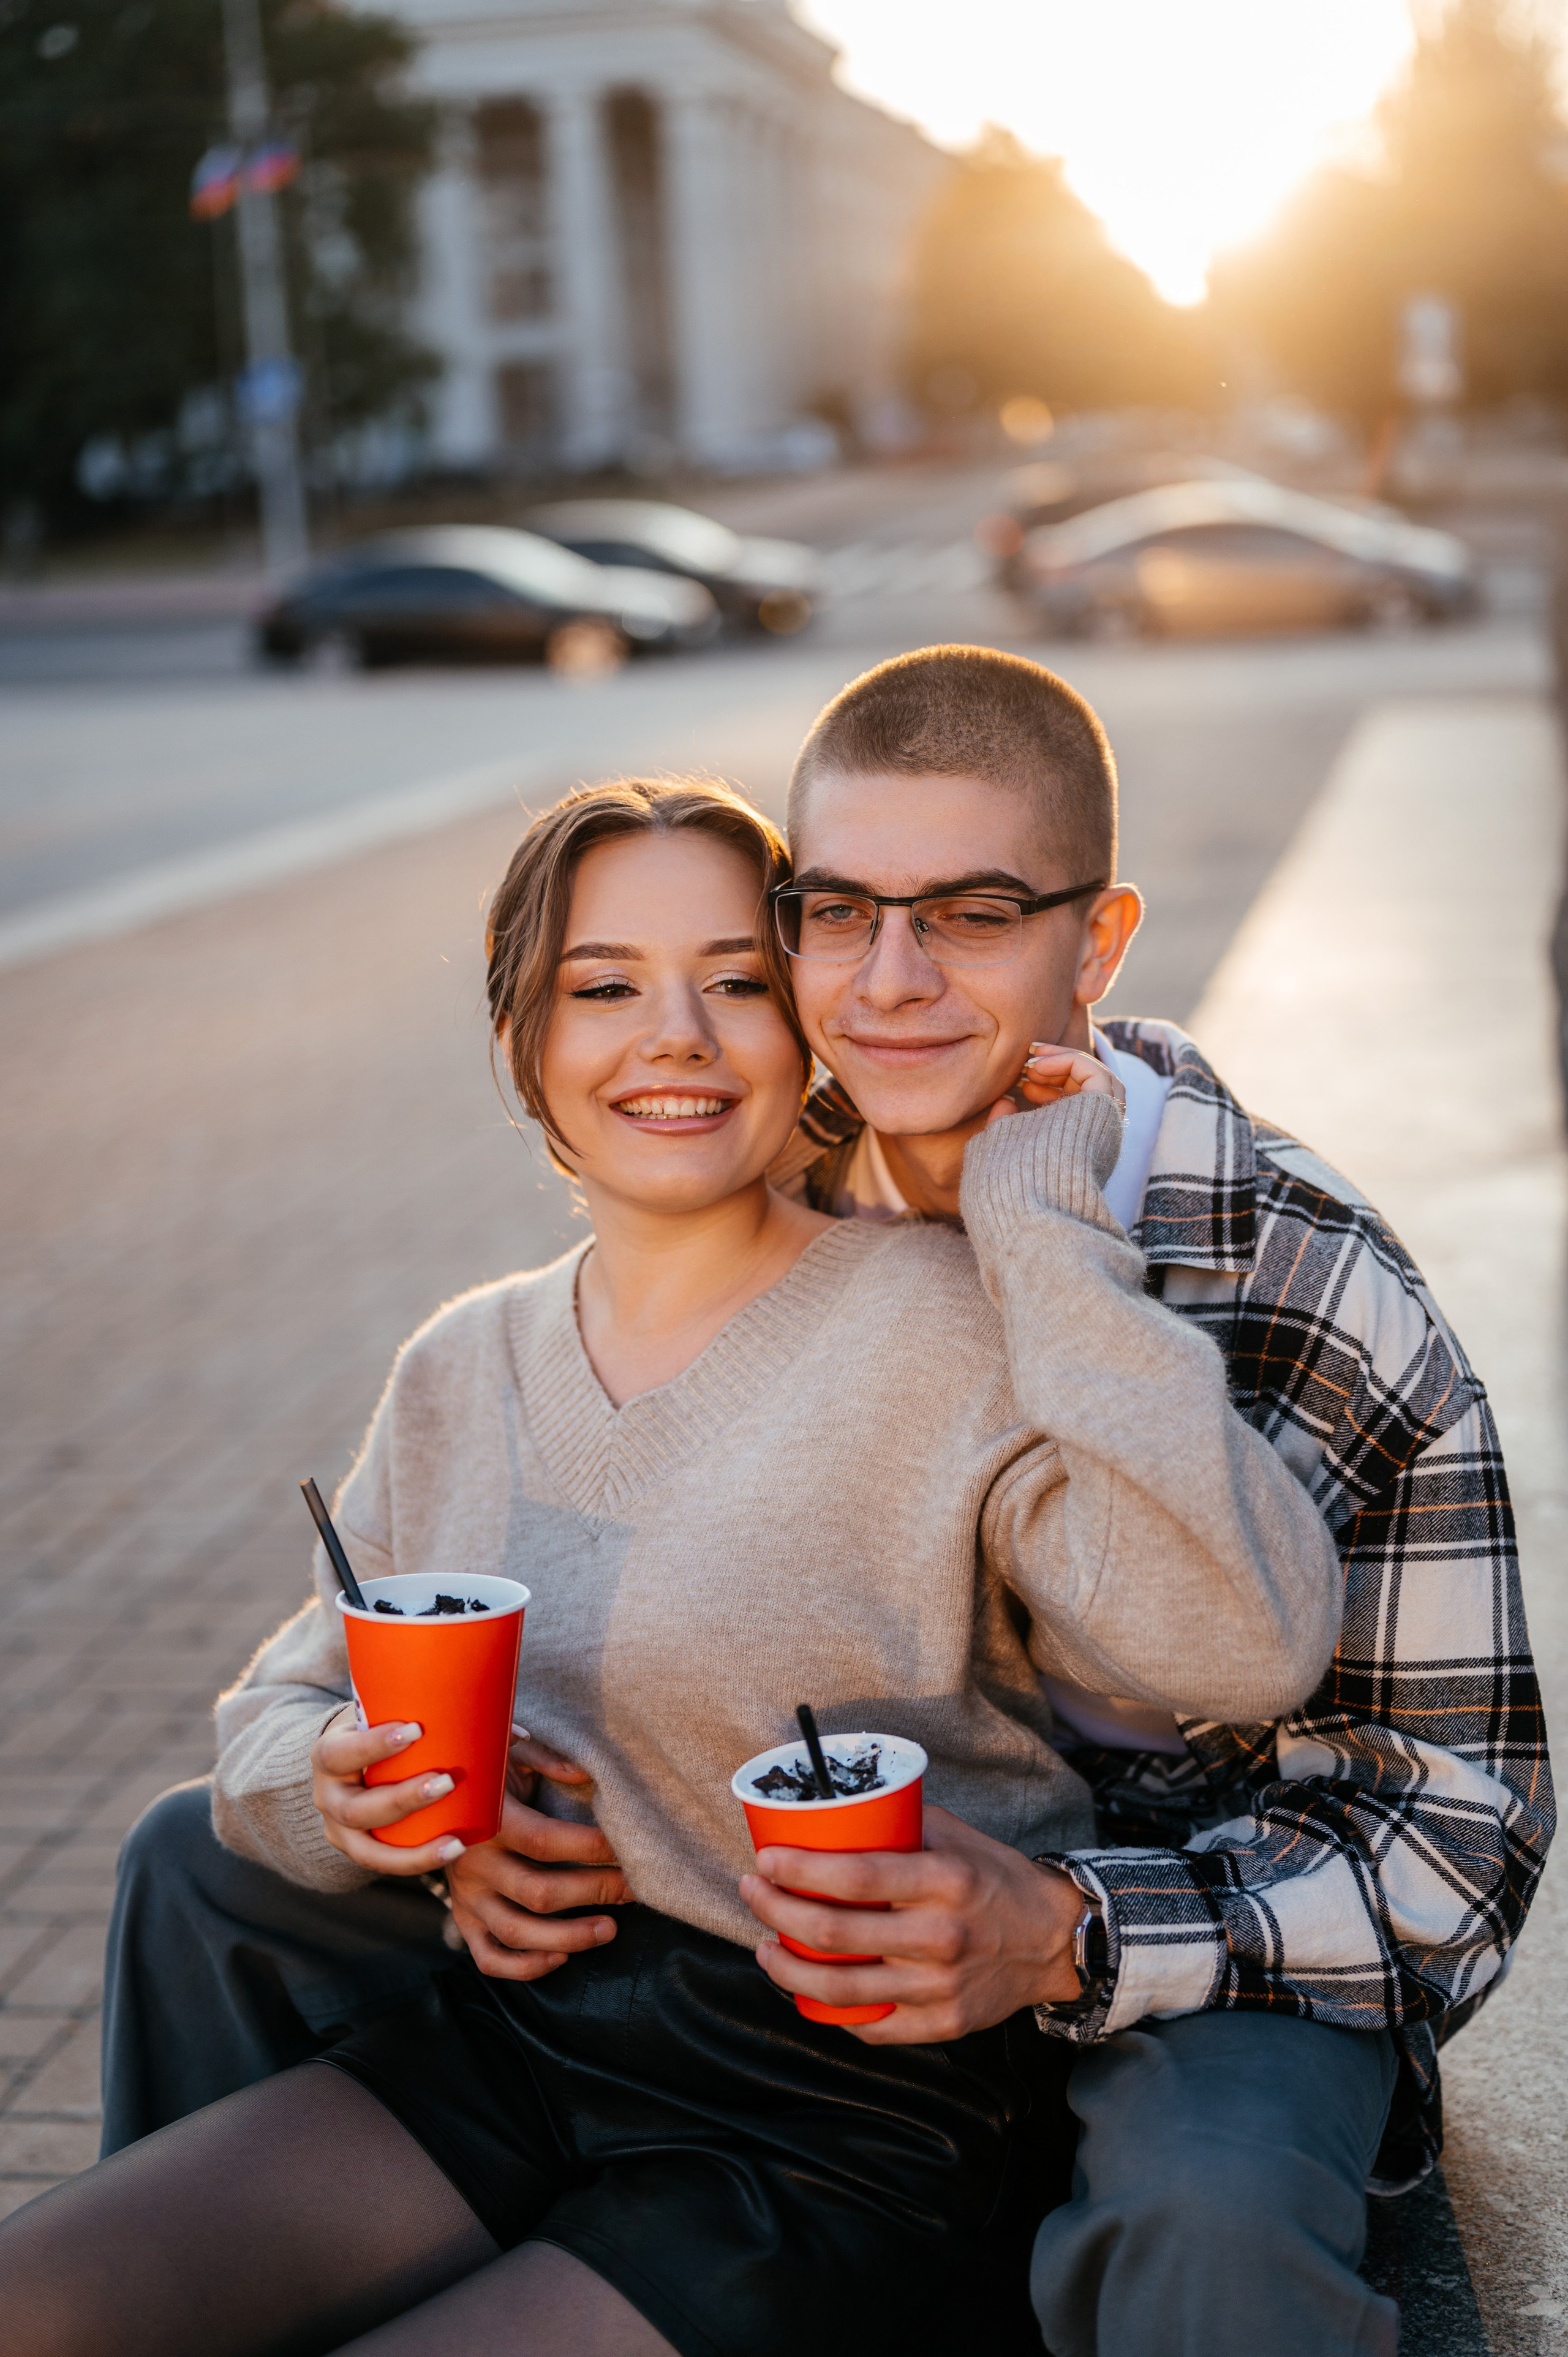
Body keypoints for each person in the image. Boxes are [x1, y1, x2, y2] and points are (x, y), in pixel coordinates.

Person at [1, 774, 1341, 2357]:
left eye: (736, 984)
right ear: (530, 1044)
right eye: (605, 987)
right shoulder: (462, 1366)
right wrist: (359, 1802)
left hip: (846, 2115)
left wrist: (1044, 1235)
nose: (677, 1037)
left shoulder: (948, 1324)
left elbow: (1251, 1639)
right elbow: (279, 1708)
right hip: (524, 2041)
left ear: (807, 1036)